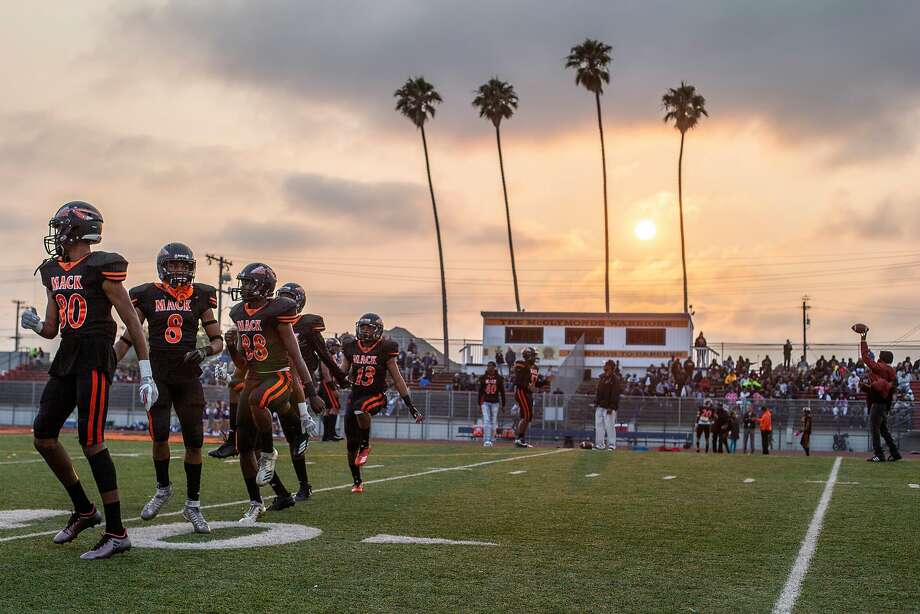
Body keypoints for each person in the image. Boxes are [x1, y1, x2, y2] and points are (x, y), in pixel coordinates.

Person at [21, 201, 157, 560]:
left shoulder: (101, 267)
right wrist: (35, 324)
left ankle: (117, 532)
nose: (55, 235)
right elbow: (52, 329)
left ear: (75, 231)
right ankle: (84, 510)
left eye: (60, 227)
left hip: (96, 354)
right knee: (43, 435)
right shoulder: (52, 270)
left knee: (91, 440)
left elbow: (131, 321)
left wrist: (146, 372)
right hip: (68, 353)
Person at [113, 242, 222, 534]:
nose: (180, 271)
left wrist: (204, 351)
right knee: (159, 435)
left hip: (188, 377)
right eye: (174, 265)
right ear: (163, 267)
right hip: (158, 375)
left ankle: (193, 505)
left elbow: (217, 340)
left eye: (185, 266)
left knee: (195, 441)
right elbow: (130, 336)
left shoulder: (200, 295)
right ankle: (163, 489)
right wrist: (111, 359)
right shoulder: (146, 294)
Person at [227, 263, 325, 524]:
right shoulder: (239, 312)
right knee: (245, 444)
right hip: (255, 376)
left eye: (249, 282)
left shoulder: (278, 311)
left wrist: (311, 390)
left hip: (279, 376)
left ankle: (270, 453)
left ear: (264, 287)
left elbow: (295, 354)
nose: (244, 287)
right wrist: (230, 348)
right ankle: (255, 503)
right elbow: (242, 364)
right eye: (243, 282)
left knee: (260, 401)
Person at [341, 314, 423, 493]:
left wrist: (411, 406)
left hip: (376, 395)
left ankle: (366, 444)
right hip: (355, 396)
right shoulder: (351, 348)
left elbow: (398, 379)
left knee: (360, 410)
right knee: (350, 445)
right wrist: (337, 380)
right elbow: (341, 373)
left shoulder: (385, 349)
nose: (365, 331)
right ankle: (357, 482)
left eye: (369, 328)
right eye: (362, 327)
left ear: (377, 330)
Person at [859, 332, 901, 462]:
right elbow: (884, 387)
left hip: (877, 404)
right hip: (884, 404)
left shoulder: (881, 367)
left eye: (880, 356)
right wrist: (868, 387)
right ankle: (895, 453)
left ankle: (879, 454)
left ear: (883, 358)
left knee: (875, 429)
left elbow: (866, 359)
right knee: (884, 430)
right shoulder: (891, 370)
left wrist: (863, 340)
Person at [319, 337, 345, 441]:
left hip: (327, 383)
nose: (337, 349)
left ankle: (327, 435)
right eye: (335, 346)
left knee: (329, 409)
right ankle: (331, 434)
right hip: (327, 383)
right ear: (330, 346)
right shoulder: (326, 356)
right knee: (335, 407)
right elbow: (326, 372)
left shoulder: (331, 356)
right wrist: (333, 387)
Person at [512, 346, 539, 448]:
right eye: (533, 355)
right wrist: (529, 386)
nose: (534, 357)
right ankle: (519, 438)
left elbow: (534, 382)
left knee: (528, 416)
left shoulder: (535, 368)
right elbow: (519, 380)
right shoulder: (521, 364)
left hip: (529, 393)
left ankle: (521, 439)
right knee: (527, 415)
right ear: (527, 355)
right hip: (521, 391)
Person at [594, 360, 620, 451]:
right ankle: (600, 444)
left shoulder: (615, 379)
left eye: (606, 365)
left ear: (611, 367)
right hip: (600, 406)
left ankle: (612, 445)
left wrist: (611, 407)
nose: (604, 367)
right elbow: (598, 392)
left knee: (610, 426)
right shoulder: (602, 377)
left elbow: (615, 394)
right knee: (599, 426)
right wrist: (596, 402)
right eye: (605, 365)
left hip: (609, 407)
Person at [477, 362, 505, 447]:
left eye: (491, 366)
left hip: (495, 402)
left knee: (493, 421)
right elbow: (480, 392)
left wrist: (503, 405)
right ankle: (487, 440)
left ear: (494, 367)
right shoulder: (483, 377)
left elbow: (502, 392)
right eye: (488, 366)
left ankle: (492, 439)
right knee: (486, 420)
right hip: (485, 402)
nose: (489, 368)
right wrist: (479, 404)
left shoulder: (499, 378)